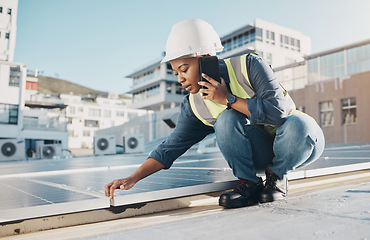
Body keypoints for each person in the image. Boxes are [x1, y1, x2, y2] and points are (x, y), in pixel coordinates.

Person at [105, 19, 325, 208]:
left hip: (300, 143)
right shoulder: (194, 106)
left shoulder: (249, 65)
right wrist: (133, 177)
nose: (180, 78)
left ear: (207, 58)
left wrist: (227, 98)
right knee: (226, 119)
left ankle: (275, 179)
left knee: (299, 124)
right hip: (260, 154)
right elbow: (169, 148)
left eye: (184, 69)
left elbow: (277, 114)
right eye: (176, 73)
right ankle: (249, 185)